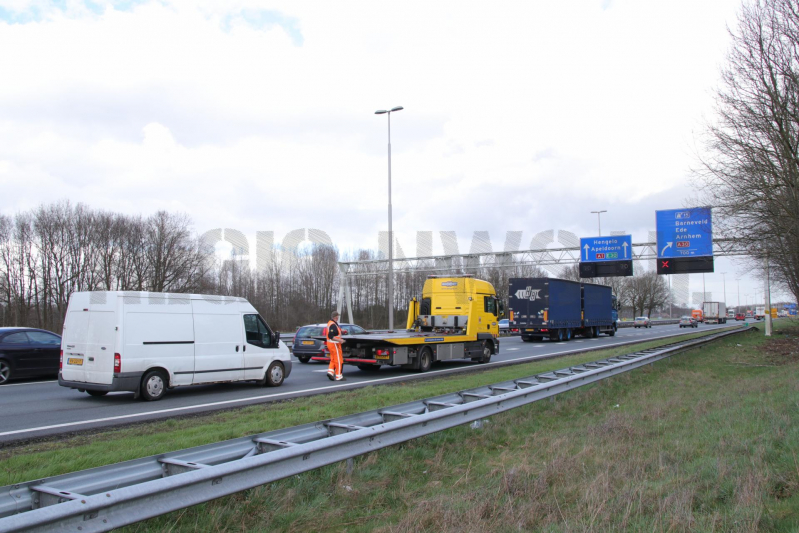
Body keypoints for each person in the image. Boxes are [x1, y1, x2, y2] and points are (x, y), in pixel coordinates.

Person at [326, 311, 345, 381]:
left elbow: (335, 331)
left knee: (333, 359)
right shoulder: (333, 325)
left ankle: (330, 372)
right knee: (339, 360)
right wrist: (340, 340)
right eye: (337, 316)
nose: (338, 317)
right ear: (335, 317)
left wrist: (342, 330)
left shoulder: (331, 323)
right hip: (334, 344)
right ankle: (339, 376)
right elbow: (331, 335)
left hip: (331, 344)